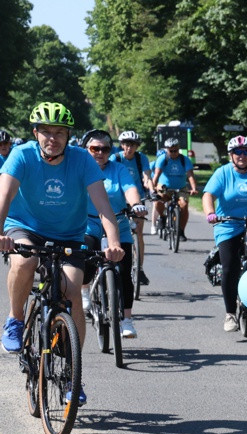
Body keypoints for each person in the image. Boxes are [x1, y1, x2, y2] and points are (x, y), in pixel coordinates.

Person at [0, 102, 123, 405]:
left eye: (59, 132)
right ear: (35, 133)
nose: (52, 138)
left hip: (68, 234)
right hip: (24, 227)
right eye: (45, 132)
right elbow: (4, 196)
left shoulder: (82, 160)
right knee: (25, 260)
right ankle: (15, 319)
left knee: (70, 289)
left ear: (69, 136)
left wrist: (113, 242)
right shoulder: (22, 155)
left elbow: (103, 205)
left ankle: (73, 375)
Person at [80, 129, 147, 338]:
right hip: (88, 226)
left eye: (105, 149)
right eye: (94, 148)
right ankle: (85, 291)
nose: (100, 152)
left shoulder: (118, 169)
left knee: (125, 272)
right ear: (86, 149)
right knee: (86, 266)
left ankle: (127, 319)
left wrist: (136, 204)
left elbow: (130, 188)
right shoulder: (79, 169)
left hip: (119, 225)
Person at [202, 134, 247, 332]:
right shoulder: (223, 173)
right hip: (228, 225)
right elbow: (208, 195)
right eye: (238, 152)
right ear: (231, 155)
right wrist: (210, 213)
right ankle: (230, 313)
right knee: (229, 268)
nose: (242, 155)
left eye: (246, 152)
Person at [112, 130, 153, 285]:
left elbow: (147, 177)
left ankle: (140, 268)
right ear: (122, 145)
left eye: (133, 145)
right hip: (119, 199)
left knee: (138, 233)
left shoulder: (141, 158)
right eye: (127, 145)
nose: (129, 148)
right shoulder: (115, 158)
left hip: (137, 198)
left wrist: (152, 190)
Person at [151, 137, 198, 240]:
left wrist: (193, 188)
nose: (173, 153)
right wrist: (153, 189)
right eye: (170, 151)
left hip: (180, 188)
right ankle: (162, 218)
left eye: (175, 150)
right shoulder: (162, 159)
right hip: (165, 186)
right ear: (166, 150)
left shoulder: (184, 160)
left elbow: (190, 175)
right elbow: (156, 175)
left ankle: (181, 231)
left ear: (178, 149)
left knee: (184, 205)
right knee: (158, 200)